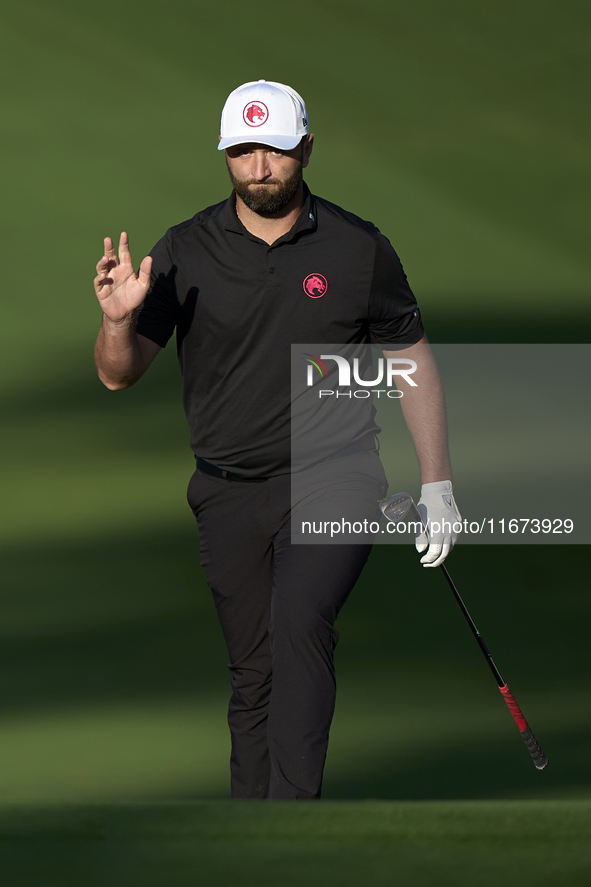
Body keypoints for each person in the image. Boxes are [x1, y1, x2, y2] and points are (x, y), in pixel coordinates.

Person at [93, 80, 461, 800]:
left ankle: (296, 819)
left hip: (336, 475)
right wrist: (115, 321)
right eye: (243, 151)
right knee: (252, 670)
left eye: (275, 150)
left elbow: (409, 359)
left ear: (307, 149)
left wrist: (437, 482)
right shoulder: (184, 250)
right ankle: (254, 838)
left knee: (299, 625)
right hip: (226, 490)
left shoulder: (358, 250)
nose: (259, 166)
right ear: (225, 154)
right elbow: (117, 376)